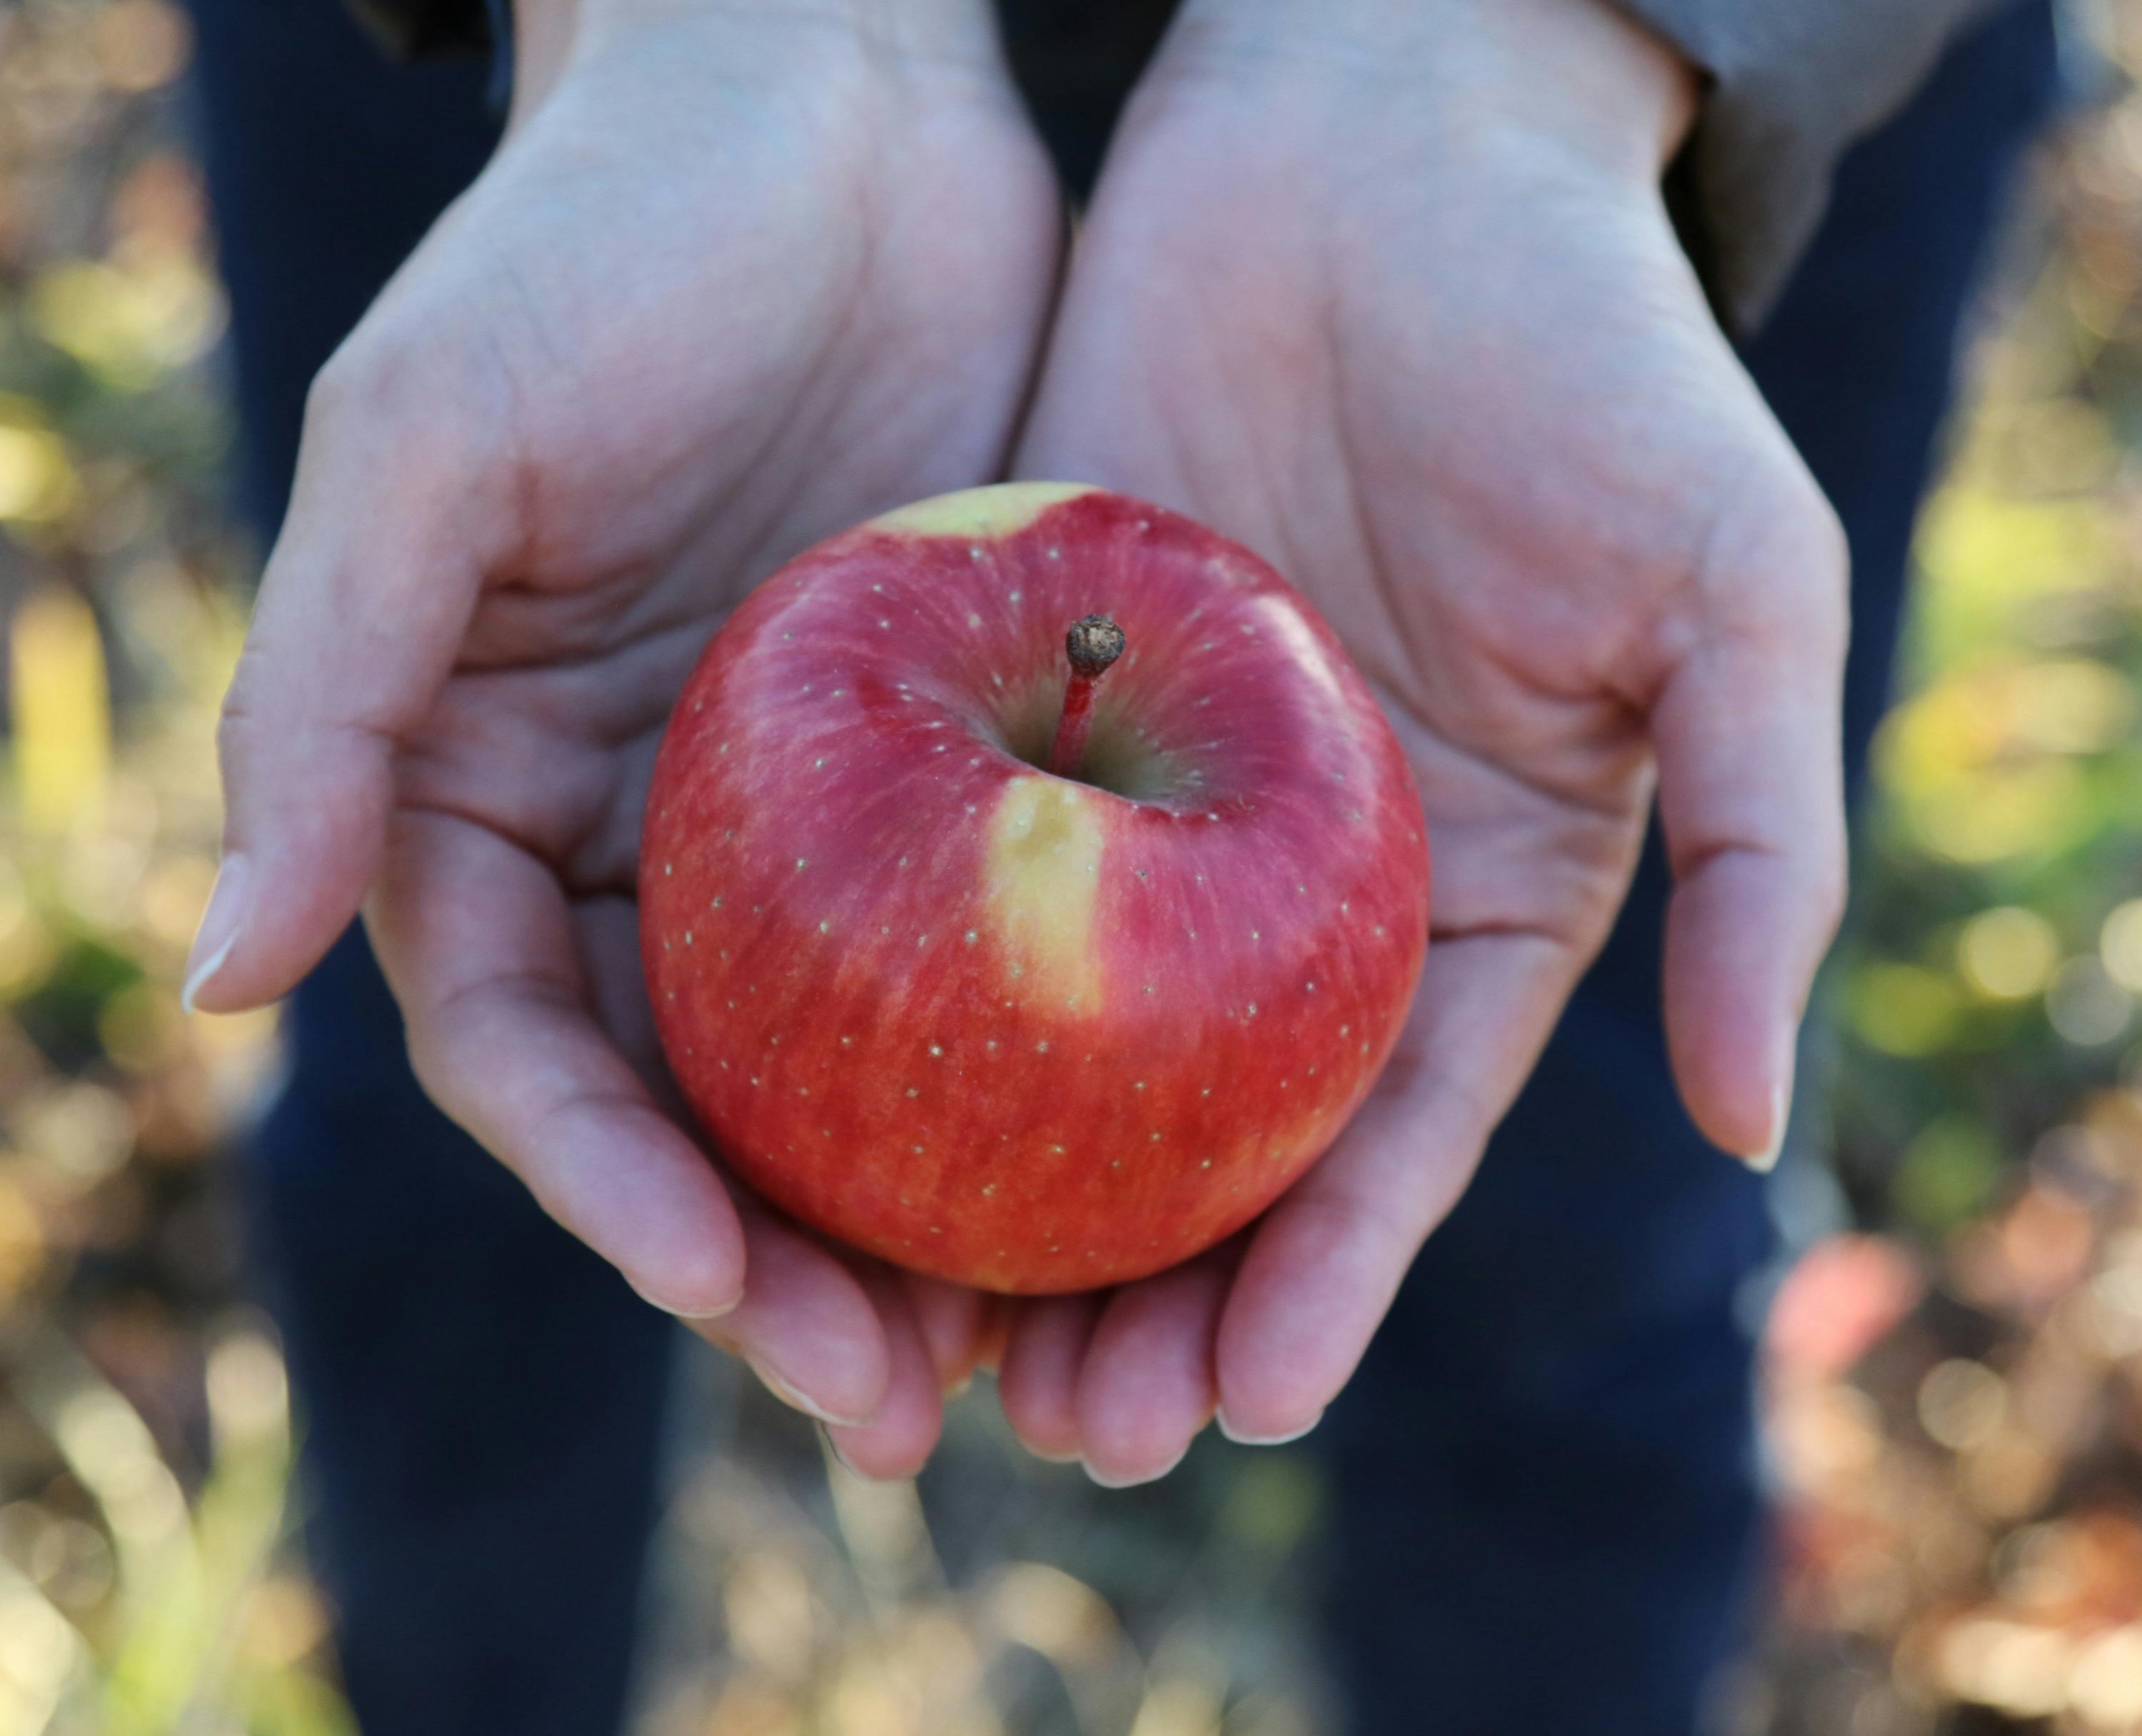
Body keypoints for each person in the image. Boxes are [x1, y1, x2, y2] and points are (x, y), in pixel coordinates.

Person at [177, 0, 2060, 1728]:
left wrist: (1521, 50)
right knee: (455, 1077)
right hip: (616, 88)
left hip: (1613, 142)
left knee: (1587, 1227)